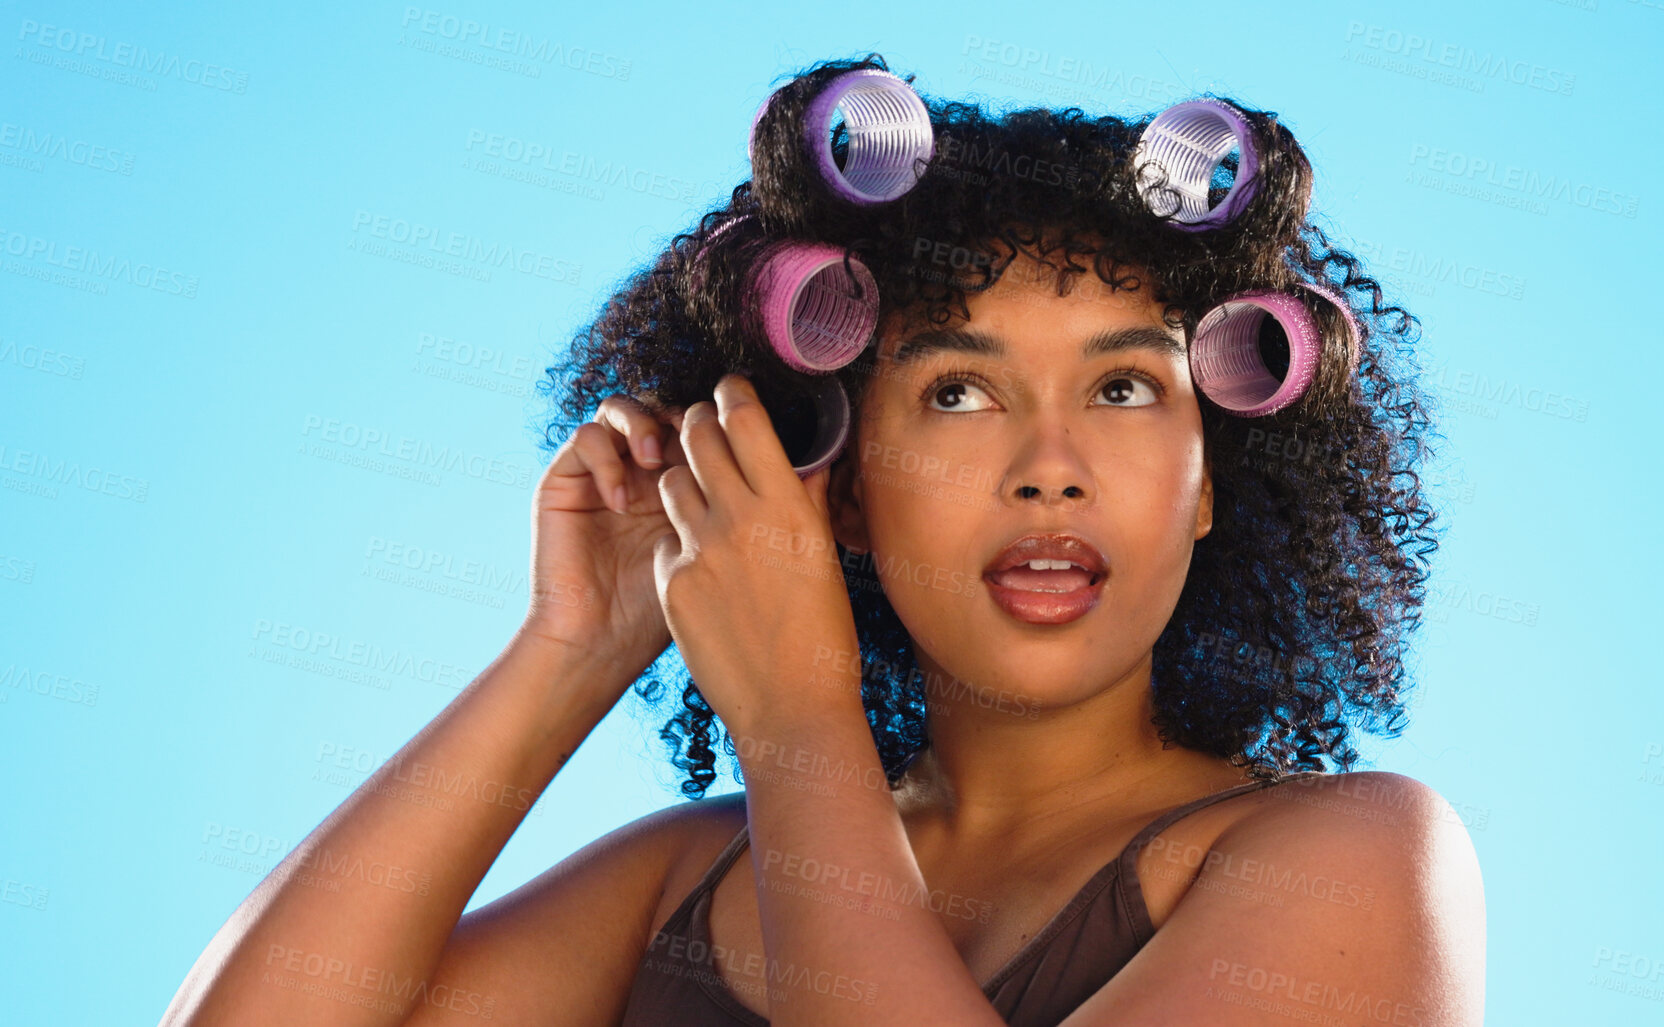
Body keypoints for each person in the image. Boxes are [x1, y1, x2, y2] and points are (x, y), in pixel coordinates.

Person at [162, 53, 1483, 1027]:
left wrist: (801, 725)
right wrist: (577, 646)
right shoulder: (689, 881)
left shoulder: (1356, 863)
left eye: (1125, 388)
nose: (1050, 471)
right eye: (958, 393)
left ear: (1210, 482)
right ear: (838, 491)